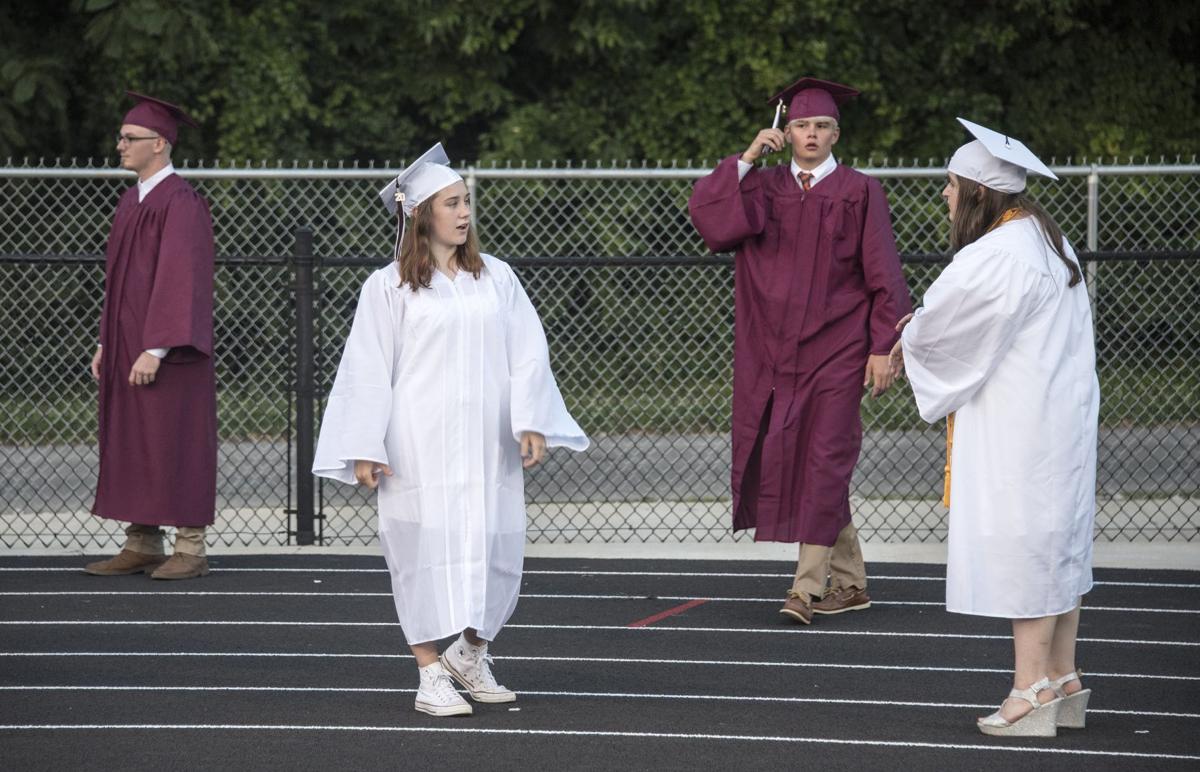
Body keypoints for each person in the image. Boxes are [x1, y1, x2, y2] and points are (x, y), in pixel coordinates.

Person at [313, 143, 588, 717]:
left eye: (467, 202)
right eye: (453, 203)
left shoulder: (497, 278)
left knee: (495, 550)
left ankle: (470, 653)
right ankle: (429, 671)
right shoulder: (387, 287)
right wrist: (366, 444)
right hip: (418, 443)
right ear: (421, 214)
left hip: (489, 445)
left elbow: (527, 353)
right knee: (419, 552)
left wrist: (531, 419)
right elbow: (367, 368)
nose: (465, 213)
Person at [892, 118, 1099, 736]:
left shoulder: (997, 254)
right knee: (1055, 542)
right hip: (1056, 417)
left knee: (1024, 547)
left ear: (980, 192)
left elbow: (945, 331)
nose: (945, 196)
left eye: (952, 186)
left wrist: (909, 335)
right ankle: (1063, 677)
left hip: (1019, 425)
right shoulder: (1047, 239)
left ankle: (1029, 690)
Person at [688, 77, 912, 623]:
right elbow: (712, 223)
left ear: (837, 133)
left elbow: (885, 276)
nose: (811, 134)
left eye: (821, 126)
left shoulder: (860, 191)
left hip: (839, 349)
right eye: (801, 126)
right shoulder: (762, 189)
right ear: (785, 132)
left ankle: (805, 587)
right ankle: (852, 583)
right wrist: (745, 159)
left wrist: (884, 346)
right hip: (774, 354)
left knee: (826, 457)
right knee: (818, 466)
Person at [84, 91, 217, 581]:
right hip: (128, 349)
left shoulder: (180, 202)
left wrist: (156, 347)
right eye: (121, 137)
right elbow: (120, 282)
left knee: (174, 441)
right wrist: (106, 343)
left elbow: (180, 280)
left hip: (168, 353)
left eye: (130, 138)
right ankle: (142, 540)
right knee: (135, 442)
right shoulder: (131, 200)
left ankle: (190, 547)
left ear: (159, 144)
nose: (120, 145)